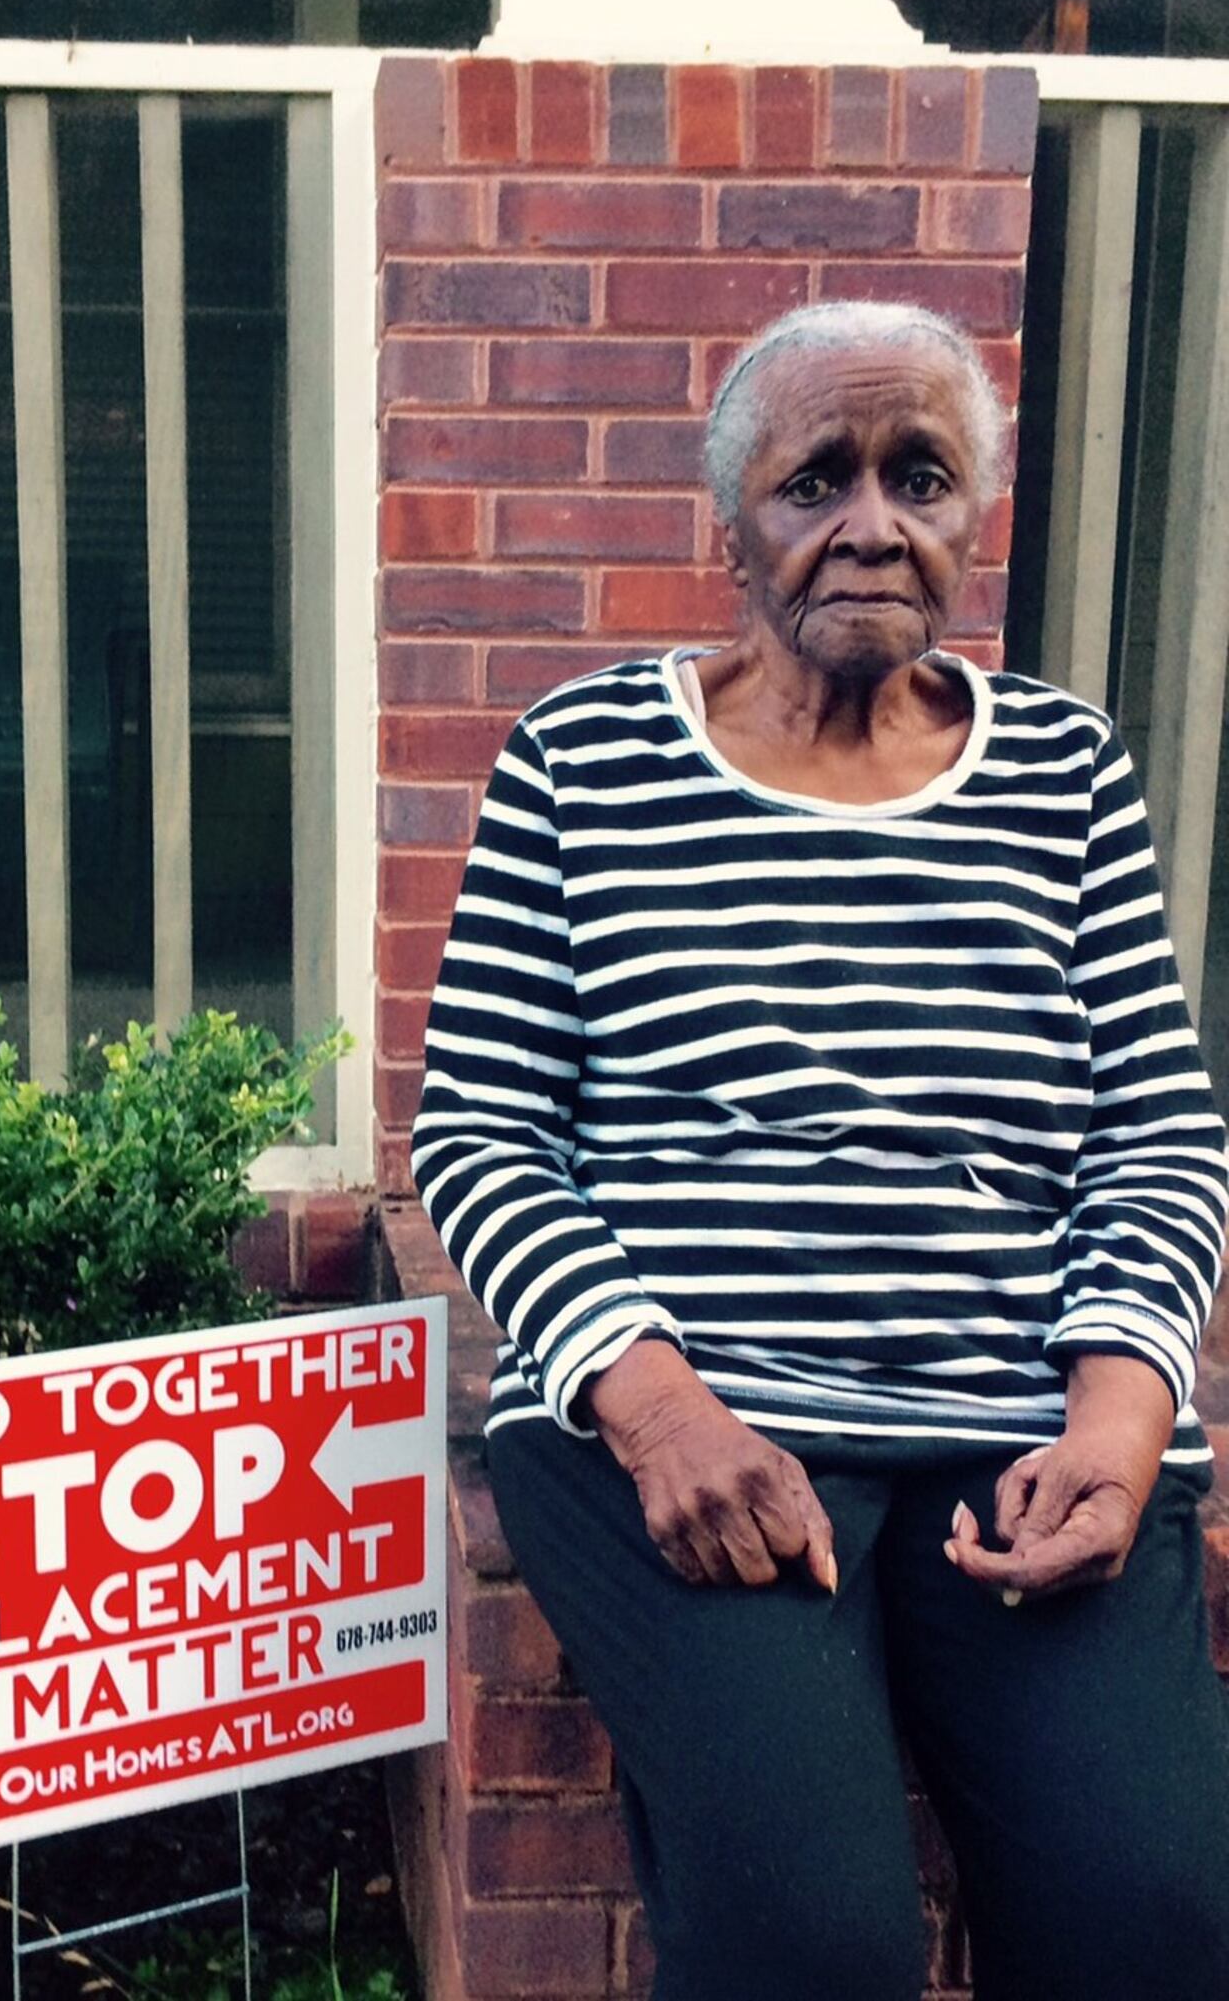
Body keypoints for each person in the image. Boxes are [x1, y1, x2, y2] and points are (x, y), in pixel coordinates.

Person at [410, 300, 1229, 2001]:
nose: (871, 522)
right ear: (732, 527)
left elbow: (1156, 1129)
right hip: (701, 1442)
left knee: (1155, 1919)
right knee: (810, 1943)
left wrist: (1121, 1417)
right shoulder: (584, 761)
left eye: (920, 475)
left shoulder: (1065, 772)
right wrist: (652, 1406)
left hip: (1015, 1445)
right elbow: (481, 1127)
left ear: (972, 521)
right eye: (815, 480)